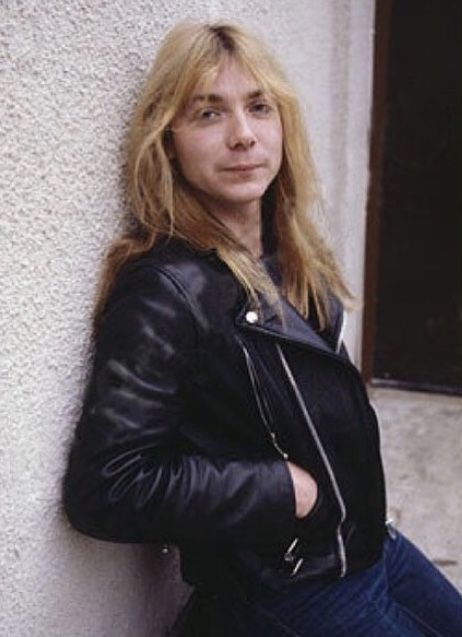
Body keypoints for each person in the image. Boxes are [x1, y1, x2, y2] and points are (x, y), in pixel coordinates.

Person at [63, 21, 462, 636]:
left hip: (365, 546)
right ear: (168, 142)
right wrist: (278, 490)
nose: (243, 136)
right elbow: (107, 487)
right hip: (292, 589)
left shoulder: (287, 247)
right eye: (208, 114)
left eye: (258, 107)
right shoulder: (167, 290)